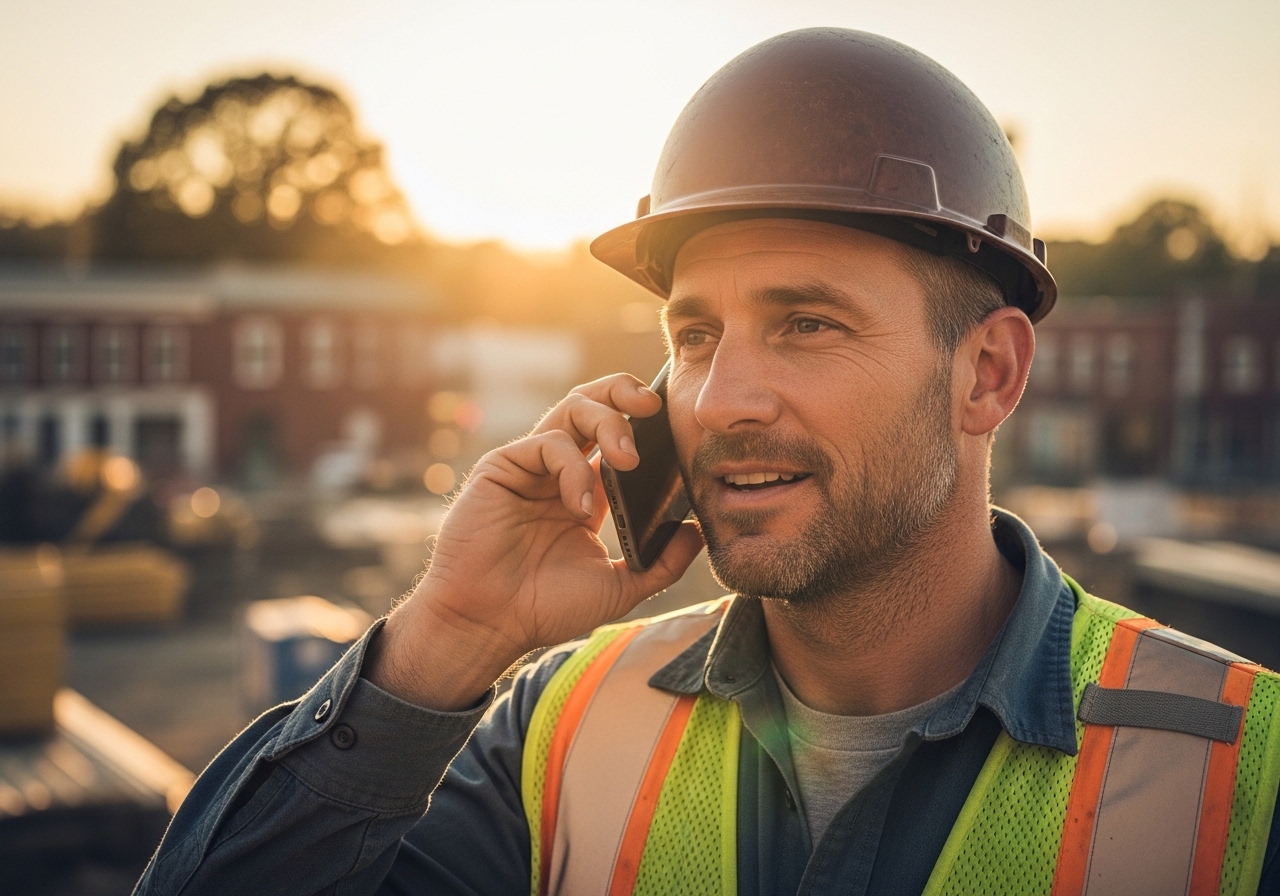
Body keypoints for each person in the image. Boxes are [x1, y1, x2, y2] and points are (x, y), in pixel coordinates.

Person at [136, 29, 1280, 895]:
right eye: (693, 335)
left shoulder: (1240, 775)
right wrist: (447, 636)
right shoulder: (558, 728)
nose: (721, 396)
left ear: (985, 373)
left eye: (808, 323)